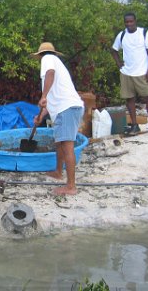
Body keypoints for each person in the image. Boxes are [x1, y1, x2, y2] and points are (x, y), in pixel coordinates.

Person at [33, 42, 84, 196]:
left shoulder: (47, 59)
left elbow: (50, 73)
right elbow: (50, 101)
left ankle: (71, 186)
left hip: (67, 108)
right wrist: (40, 116)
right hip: (65, 109)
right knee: (59, 142)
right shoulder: (55, 64)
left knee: (67, 145)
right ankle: (58, 171)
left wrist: (42, 95)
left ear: (41, 55)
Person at [111, 12, 148, 135]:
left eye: (131, 21)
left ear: (135, 21)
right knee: (129, 98)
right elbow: (113, 50)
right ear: (125, 23)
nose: (129, 24)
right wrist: (119, 63)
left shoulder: (144, 33)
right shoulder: (122, 35)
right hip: (127, 73)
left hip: (142, 71)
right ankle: (134, 125)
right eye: (127, 22)